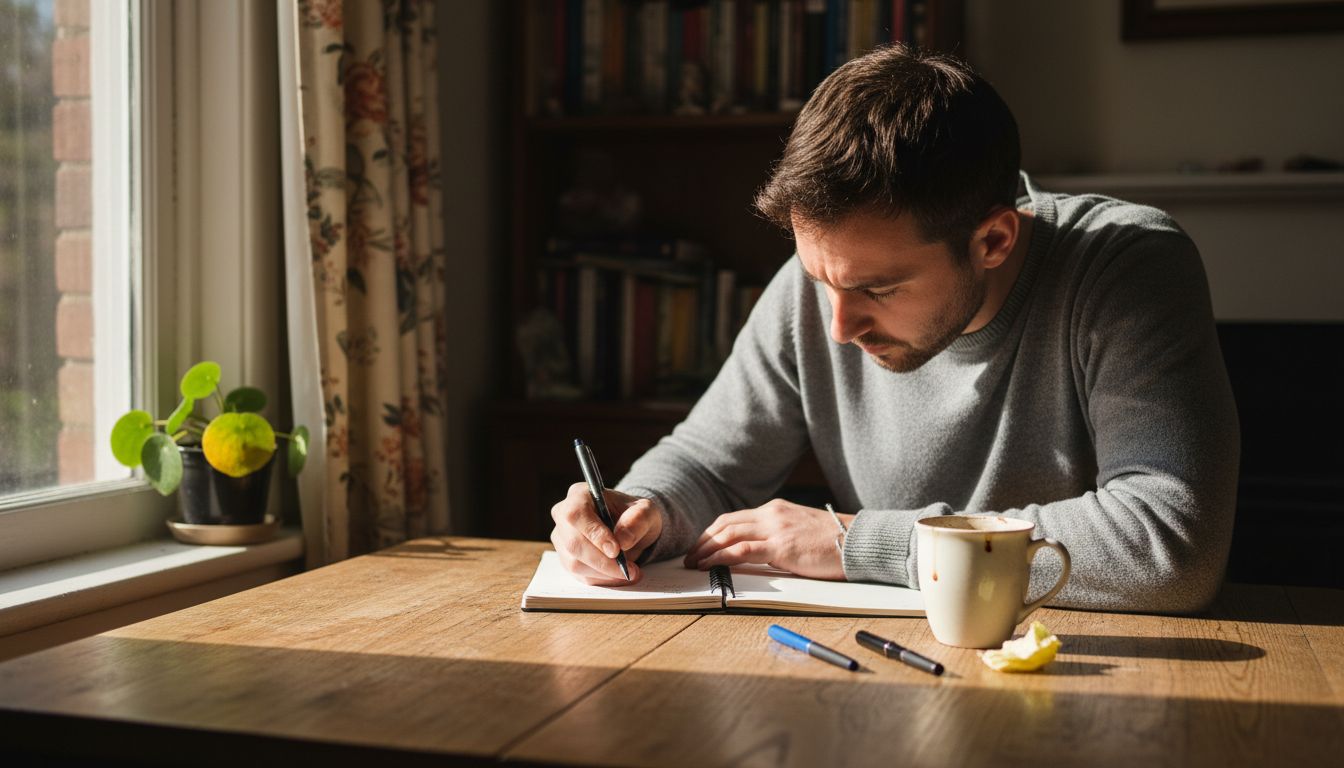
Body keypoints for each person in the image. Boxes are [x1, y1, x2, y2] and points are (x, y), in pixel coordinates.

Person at [547, 44, 1240, 613]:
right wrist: (642, 511)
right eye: (821, 281)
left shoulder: (1127, 267)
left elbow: (1168, 542)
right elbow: (709, 465)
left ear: (993, 240)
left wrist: (859, 543)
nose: (839, 326)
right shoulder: (824, 283)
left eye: (877, 289)